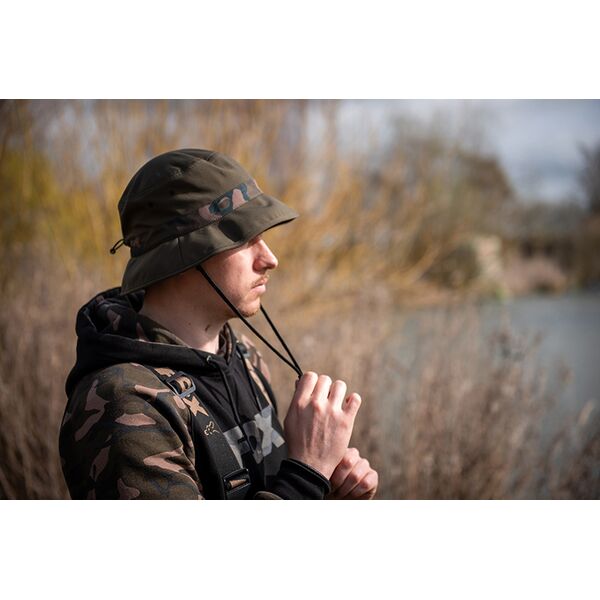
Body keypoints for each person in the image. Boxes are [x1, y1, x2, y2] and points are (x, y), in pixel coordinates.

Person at [59, 148, 378, 500]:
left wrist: (327, 490)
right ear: (184, 254)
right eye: (244, 238)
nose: (270, 259)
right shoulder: (123, 404)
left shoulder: (244, 354)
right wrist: (308, 471)